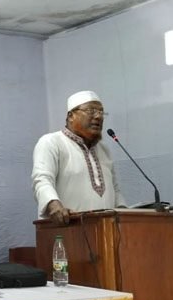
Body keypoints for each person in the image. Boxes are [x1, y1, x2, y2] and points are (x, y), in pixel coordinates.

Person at [32, 90, 126, 225]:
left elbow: (115, 189)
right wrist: (54, 205)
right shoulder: (51, 142)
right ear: (71, 116)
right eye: (91, 111)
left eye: (101, 112)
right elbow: (41, 180)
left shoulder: (104, 150)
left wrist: (124, 214)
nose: (98, 116)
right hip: (67, 230)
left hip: (107, 232)